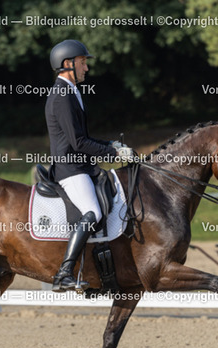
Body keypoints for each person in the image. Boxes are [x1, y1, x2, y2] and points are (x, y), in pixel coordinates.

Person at [45, 39, 131, 292]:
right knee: (93, 211)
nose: (86, 68)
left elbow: (83, 137)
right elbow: (78, 143)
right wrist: (113, 153)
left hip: (80, 165)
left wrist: (110, 144)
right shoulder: (62, 95)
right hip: (70, 169)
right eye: (83, 62)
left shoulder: (71, 92)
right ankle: (64, 273)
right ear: (68, 63)